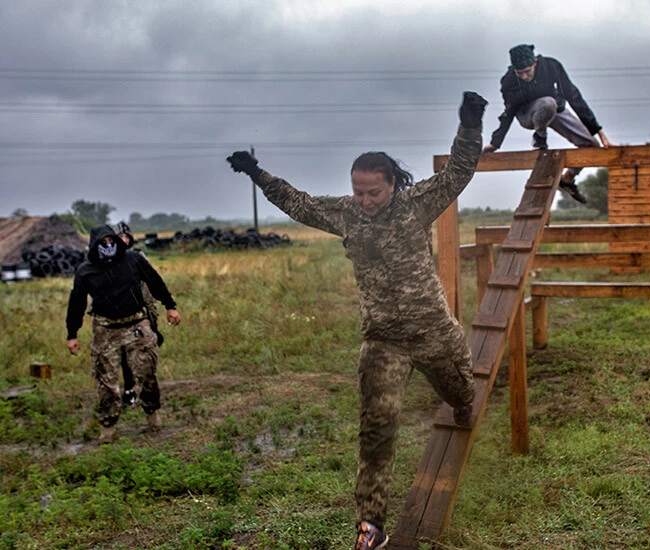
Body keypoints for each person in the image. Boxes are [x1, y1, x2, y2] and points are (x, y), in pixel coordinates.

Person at [227, 91, 488, 550]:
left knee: (459, 394)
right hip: (383, 340)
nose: (365, 200)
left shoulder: (415, 205)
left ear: (392, 184)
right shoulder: (346, 213)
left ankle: (464, 400)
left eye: (374, 191)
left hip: (432, 332)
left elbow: (459, 173)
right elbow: (299, 203)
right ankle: (371, 525)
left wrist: (469, 123)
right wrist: (257, 173)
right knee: (376, 428)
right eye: (358, 191)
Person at [66, 225, 181, 444]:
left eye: (111, 241)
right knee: (106, 380)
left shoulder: (133, 260)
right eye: (103, 243)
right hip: (105, 330)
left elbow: (155, 282)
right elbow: (76, 303)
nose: (108, 246)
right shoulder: (86, 270)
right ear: (95, 245)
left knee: (147, 372)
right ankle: (108, 425)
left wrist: (170, 306)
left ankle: (151, 412)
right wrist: (72, 334)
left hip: (136, 325)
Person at [482, 43, 614, 204]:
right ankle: (540, 138)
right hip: (527, 114)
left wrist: (599, 133)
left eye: (526, 72)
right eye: (519, 73)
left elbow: (574, 98)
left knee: (591, 145)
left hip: (554, 111)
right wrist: (495, 143)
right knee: (547, 103)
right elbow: (508, 113)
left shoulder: (551, 66)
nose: (523, 77)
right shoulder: (509, 81)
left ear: (535, 63)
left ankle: (567, 180)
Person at [114, 221, 163, 408]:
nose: (124, 240)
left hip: (143, 311)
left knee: (145, 354)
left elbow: (151, 283)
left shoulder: (138, 257)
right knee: (124, 356)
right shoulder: (108, 261)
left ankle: (147, 392)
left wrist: (154, 320)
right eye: (120, 237)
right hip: (120, 315)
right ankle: (129, 388)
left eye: (127, 237)